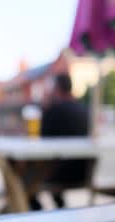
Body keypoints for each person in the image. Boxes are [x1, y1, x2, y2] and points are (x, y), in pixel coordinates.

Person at [29, 73, 90, 209]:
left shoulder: (53, 110)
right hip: (83, 172)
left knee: (24, 180)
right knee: (53, 163)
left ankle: (34, 210)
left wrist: (45, 106)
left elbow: (40, 141)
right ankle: (59, 206)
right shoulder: (85, 109)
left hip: (57, 174)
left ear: (56, 89)